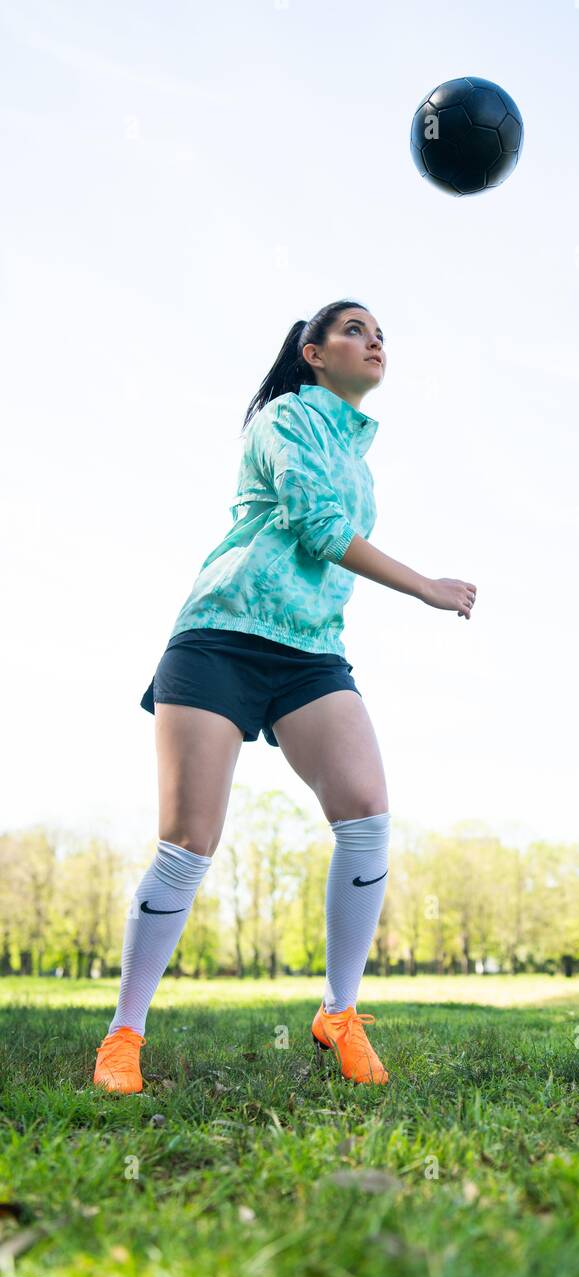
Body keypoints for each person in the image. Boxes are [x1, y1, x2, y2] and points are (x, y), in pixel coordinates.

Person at [93, 300, 477, 1094]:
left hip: (310, 654)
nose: (373, 343)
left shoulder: (360, 458)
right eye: (354, 331)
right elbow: (314, 527)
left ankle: (339, 1014)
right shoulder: (280, 422)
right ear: (312, 352)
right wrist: (425, 588)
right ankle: (123, 1035)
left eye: (380, 335)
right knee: (188, 844)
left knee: (366, 813)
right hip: (222, 638)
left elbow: (334, 543)